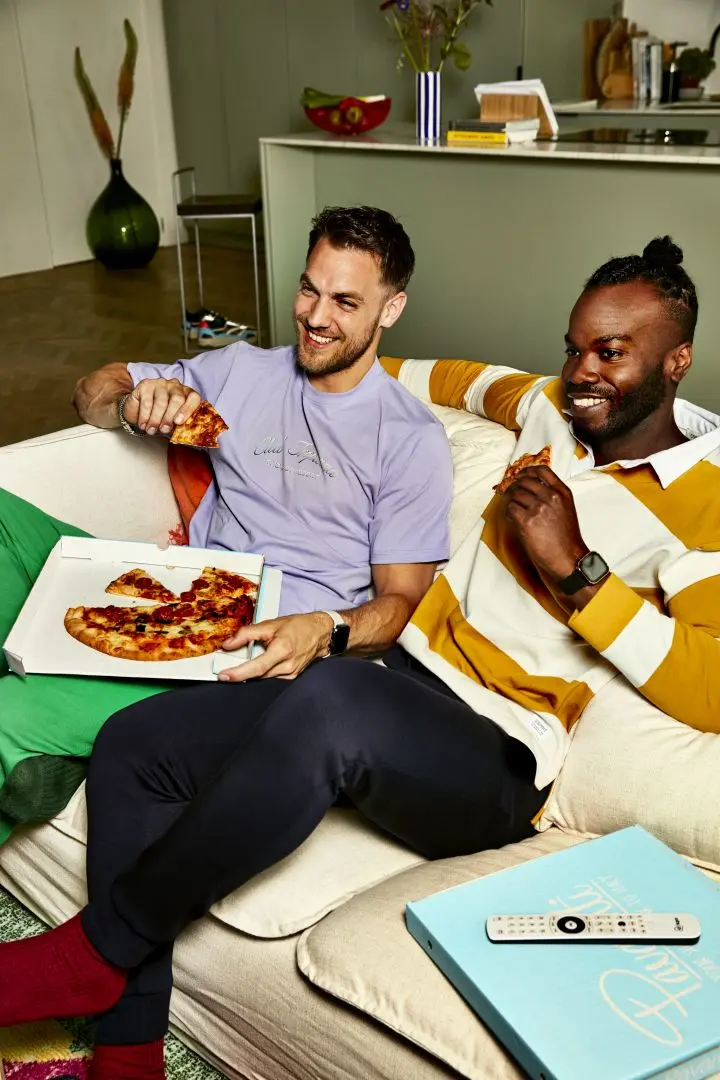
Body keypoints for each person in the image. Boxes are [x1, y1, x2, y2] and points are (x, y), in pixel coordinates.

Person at [4, 235, 719, 1080]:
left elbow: (709, 689)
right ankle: (129, 1052)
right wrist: (326, 360)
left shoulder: (706, 499)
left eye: (611, 352)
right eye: (573, 347)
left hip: (496, 757)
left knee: (332, 693)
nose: (583, 371)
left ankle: (96, 949)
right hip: (396, 686)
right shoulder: (546, 410)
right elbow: (425, 376)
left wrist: (577, 574)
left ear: (677, 360)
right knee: (138, 741)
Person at [0, 205, 452, 837]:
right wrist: (133, 402)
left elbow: (403, 602)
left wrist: (325, 632)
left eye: (346, 302)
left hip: (248, 653)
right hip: (177, 589)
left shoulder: (409, 438)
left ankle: (49, 731)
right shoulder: (240, 370)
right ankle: (49, 702)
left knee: (8, 716)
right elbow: (92, 390)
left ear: (391, 309)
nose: (317, 318)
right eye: (309, 289)